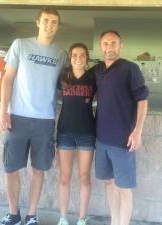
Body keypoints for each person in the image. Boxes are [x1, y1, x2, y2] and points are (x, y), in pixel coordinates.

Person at [0, 7, 67, 225]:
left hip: (45, 121)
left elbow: (63, 86)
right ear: (38, 22)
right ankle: (13, 214)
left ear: (58, 26)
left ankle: (31, 215)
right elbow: (7, 79)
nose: (50, 25)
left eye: (54, 22)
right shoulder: (20, 44)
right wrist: (3, 112)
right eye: (46, 20)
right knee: (11, 170)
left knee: (38, 170)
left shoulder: (61, 54)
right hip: (17, 117)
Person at [91, 30, 149, 225]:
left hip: (123, 140)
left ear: (120, 45)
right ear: (101, 46)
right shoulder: (98, 70)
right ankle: (114, 221)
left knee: (124, 188)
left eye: (113, 43)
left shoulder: (130, 68)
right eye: (106, 43)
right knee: (108, 183)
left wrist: (138, 131)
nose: (109, 47)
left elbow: (142, 100)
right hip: (101, 140)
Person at [56, 43, 96, 225]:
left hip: (87, 133)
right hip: (65, 133)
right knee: (64, 178)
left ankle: (82, 219)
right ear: (70, 58)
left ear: (87, 58)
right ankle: (63, 218)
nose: (78, 59)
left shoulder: (93, 77)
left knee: (84, 177)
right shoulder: (63, 76)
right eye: (74, 55)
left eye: (82, 55)